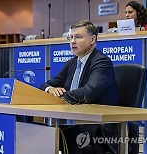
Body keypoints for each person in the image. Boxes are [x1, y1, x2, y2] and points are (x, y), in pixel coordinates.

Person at [40, 20, 119, 154]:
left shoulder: (101, 62)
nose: (72, 41)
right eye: (70, 37)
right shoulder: (71, 63)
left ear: (92, 39)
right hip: (74, 121)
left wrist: (60, 97)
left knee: (50, 133)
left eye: (78, 37)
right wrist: (51, 90)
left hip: (95, 126)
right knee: (40, 131)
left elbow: (87, 93)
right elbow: (46, 85)